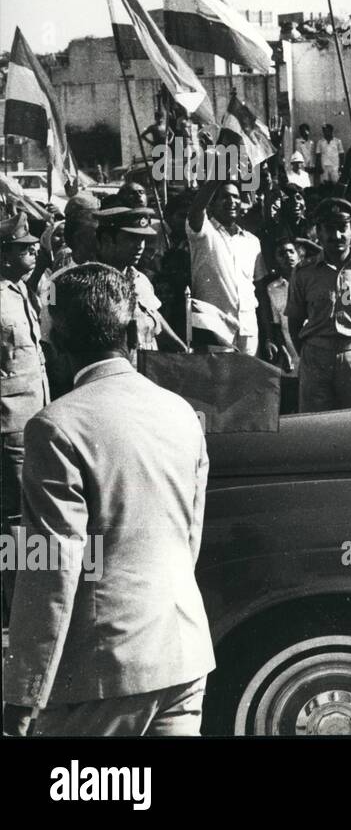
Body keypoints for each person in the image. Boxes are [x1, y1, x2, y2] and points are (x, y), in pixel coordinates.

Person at [2, 263, 213, 736]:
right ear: (132, 333)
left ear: (54, 344)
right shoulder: (180, 412)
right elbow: (188, 539)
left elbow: (52, 567)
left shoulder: (55, 427)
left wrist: (23, 692)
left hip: (101, 672)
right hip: (181, 651)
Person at [285, 198, 351, 412]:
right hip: (316, 357)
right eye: (328, 229)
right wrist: (312, 352)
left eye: (342, 228)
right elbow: (294, 320)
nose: (336, 235)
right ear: (318, 232)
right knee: (315, 424)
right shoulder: (304, 272)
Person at [0, 213, 47, 559]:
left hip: (33, 415)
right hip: (10, 423)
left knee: (28, 509)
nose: (33, 251)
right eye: (23, 248)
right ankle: (15, 584)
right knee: (14, 513)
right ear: (3, 255)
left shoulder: (20, 291)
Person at [94, 207, 188, 358]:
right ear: (107, 240)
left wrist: (182, 348)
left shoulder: (140, 280)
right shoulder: (92, 284)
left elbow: (155, 317)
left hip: (147, 366)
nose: (140, 246)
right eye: (131, 238)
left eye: (143, 239)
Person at [188, 179, 262, 354]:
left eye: (236, 197)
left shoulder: (252, 241)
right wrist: (218, 175)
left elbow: (258, 288)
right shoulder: (204, 232)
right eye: (225, 197)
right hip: (214, 330)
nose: (232, 201)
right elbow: (196, 209)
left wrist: (268, 336)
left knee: (249, 373)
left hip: (248, 330)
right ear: (211, 204)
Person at [256, 235, 314, 376]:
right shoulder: (272, 288)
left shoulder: (313, 281)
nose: (287, 256)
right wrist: (284, 351)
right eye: (282, 254)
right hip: (293, 354)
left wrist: (306, 242)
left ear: (299, 255)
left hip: (316, 348)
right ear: (275, 261)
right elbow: (277, 325)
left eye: (291, 251)